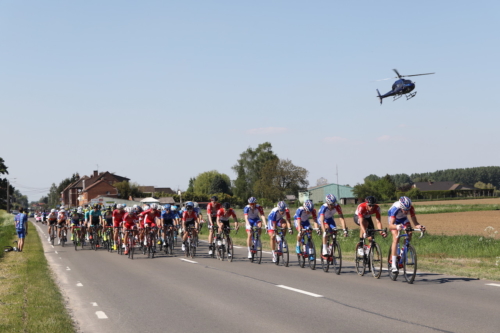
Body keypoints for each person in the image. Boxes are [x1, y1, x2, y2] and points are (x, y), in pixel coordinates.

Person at [387, 196, 426, 273]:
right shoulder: (395, 209)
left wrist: (420, 227)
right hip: (394, 220)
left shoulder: (411, 208)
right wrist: (396, 226)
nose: (406, 211)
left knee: (409, 232)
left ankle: (403, 252)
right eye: (405, 210)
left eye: (408, 210)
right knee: (396, 238)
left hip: (403, 219)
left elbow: (415, 223)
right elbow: (390, 226)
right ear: (401, 207)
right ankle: (393, 264)